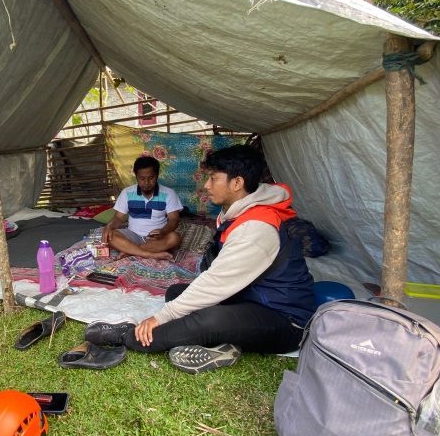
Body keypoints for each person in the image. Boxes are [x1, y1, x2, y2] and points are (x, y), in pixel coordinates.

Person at [85, 145, 316, 374]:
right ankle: (224, 346)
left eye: (213, 178)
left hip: (284, 318)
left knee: (208, 320)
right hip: (252, 297)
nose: (206, 185)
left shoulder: (257, 226)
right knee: (177, 293)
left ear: (237, 183)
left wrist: (161, 317)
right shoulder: (239, 212)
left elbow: (215, 283)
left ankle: (129, 335)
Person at [102, 156, 183, 259]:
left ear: (157, 176)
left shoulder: (169, 193)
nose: (146, 183)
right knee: (109, 236)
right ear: (136, 177)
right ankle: (150, 254)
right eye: (142, 178)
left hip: (156, 239)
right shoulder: (127, 192)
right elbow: (118, 218)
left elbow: (174, 219)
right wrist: (109, 226)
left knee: (175, 238)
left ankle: (130, 251)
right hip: (132, 235)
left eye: (151, 178)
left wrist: (163, 232)